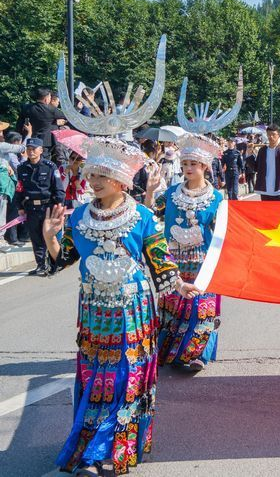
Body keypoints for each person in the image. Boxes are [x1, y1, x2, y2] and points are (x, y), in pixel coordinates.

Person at [42, 136, 198, 475]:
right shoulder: (81, 215)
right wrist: (50, 237)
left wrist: (179, 284)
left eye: (101, 175)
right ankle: (92, 452)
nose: (93, 182)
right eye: (91, 174)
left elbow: (161, 262)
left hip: (134, 312)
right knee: (97, 377)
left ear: (121, 179)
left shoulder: (142, 216)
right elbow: (63, 261)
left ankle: (110, 449)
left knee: (126, 378)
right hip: (95, 314)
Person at [146, 133, 224, 372]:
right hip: (174, 262)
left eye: (193, 164)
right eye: (185, 164)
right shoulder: (170, 194)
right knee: (173, 308)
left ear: (204, 167)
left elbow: (223, 232)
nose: (188, 168)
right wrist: (149, 192)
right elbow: (147, 216)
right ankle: (173, 353)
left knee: (201, 309)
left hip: (203, 262)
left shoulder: (216, 198)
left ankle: (198, 354)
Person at [13, 138, 64, 276]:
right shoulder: (22, 168)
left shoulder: (50, 166)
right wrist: (19, 205)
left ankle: (55, 264)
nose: (31, 151)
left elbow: (58, 187)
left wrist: (59, 204)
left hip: (48, 207)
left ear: (41, 150)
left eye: (34, 149)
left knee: (51, 237)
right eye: (29, 149)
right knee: (36, 238)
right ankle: (41, 265)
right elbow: (19, 189)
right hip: (31, 208)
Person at [16, 87, 66, 154]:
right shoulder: (51, 110)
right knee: (44, 162)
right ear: (46, 98)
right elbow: (67, 116)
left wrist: (20, 138)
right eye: (50, 97)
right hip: (45, 143)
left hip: (30, 140)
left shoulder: (26, 108)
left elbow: (19, 125)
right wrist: (55, 122)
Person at [254, 124, 280, 201]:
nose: (271, 137)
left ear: (279, 135)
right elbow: (256, 167)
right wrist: (249, 155)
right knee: (265, 213)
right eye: (269, 135)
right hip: (265, 190)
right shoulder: (262, 151)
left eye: (273, 134)